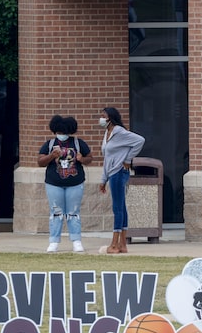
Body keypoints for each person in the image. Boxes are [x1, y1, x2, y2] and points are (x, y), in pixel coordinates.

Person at [38, 115, 93, 253]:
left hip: (75, 183)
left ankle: (76, 240)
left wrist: (82, 159)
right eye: (59, 132)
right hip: (54, 183)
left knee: (73, 212)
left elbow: (90, 158)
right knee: (56, 212)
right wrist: (51, 156)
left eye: (64, 132)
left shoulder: (78, 143)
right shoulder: (50, 144)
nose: (61, 135)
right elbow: (40, 162)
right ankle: (54, 241)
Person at [98, 107, 145, 254]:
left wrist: (128, 159)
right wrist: (103, 179)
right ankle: (123, 244)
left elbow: (139, 141)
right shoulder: (107, 133)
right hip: (112, 173)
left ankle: (114, 243)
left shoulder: (119, 131)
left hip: (119, 172)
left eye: (103, 116)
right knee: (121, 207)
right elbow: (107, 158)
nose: (101, 118)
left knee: (117, 208)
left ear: (110, 118)